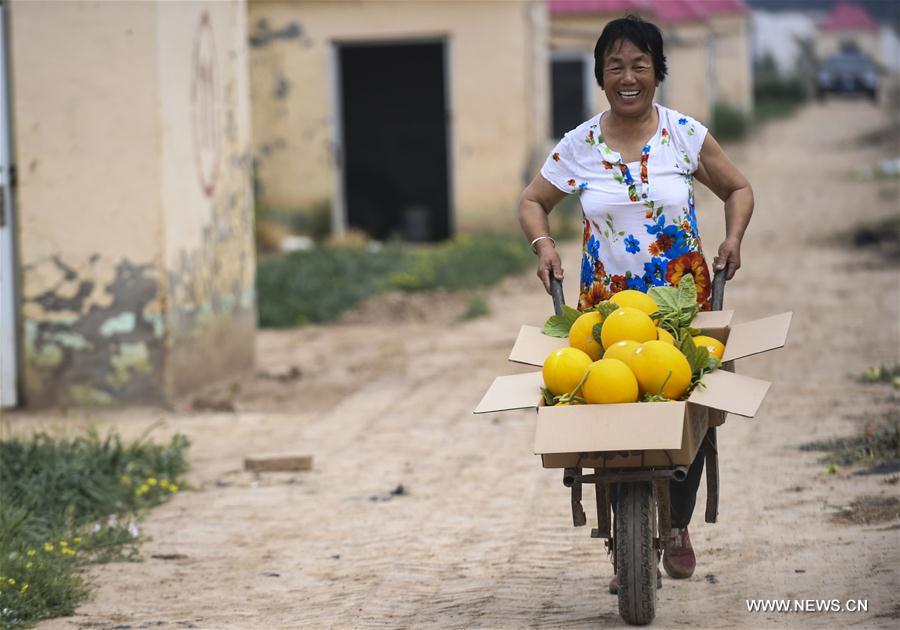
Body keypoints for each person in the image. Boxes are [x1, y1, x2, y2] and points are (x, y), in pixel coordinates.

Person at [517, 15, 753, 592]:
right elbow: (532, 201)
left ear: (657, 72)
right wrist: (543, 245)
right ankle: (623, 534)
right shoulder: (579, 145)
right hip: (604, 309)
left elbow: (738, 189)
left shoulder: (685, 136)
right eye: (616, 66)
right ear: (600, 75)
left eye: (640, 65)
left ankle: (676, 523)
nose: (628, 77)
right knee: (608, 410)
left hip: (680, 306)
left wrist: (732, 238)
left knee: (688, 411)